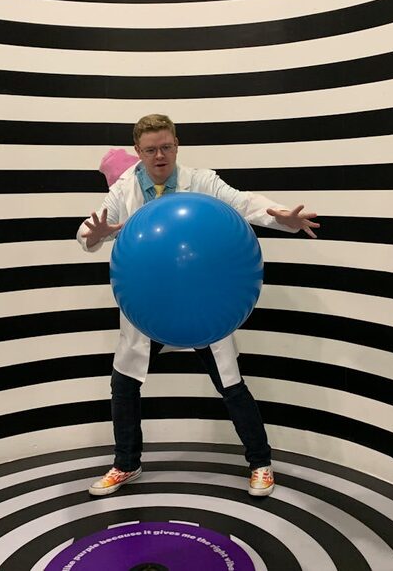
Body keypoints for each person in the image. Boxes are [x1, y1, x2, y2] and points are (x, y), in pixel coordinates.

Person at [77, 114, 319, 498]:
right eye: (151, 149)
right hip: (149, 304)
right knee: (124, 385)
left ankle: (260, 463)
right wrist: (97, 234)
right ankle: (126, 463)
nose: (161, 156)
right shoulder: (125, 188)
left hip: (200, 300)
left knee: (230, 384)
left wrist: (283, 217)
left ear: (177, 144)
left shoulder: (201, 181)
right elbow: (87, 231)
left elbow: (244, 204)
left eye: (167, 147)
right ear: (138, 151)